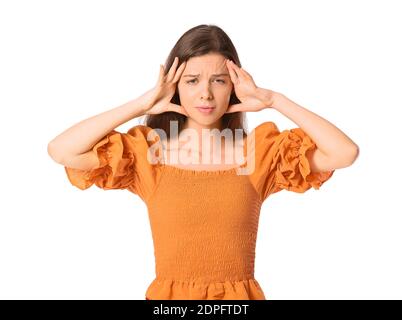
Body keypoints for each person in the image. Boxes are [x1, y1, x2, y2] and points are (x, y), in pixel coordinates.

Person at [47, 24, 359, 300]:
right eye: (192, 80)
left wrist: (273, 100)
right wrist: (140, 104)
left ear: (233, 87)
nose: (206, 94)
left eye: (219, 81)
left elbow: (344, 153)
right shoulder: (150, 153)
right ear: (175, 86)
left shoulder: (258, 154)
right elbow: (63, 150)